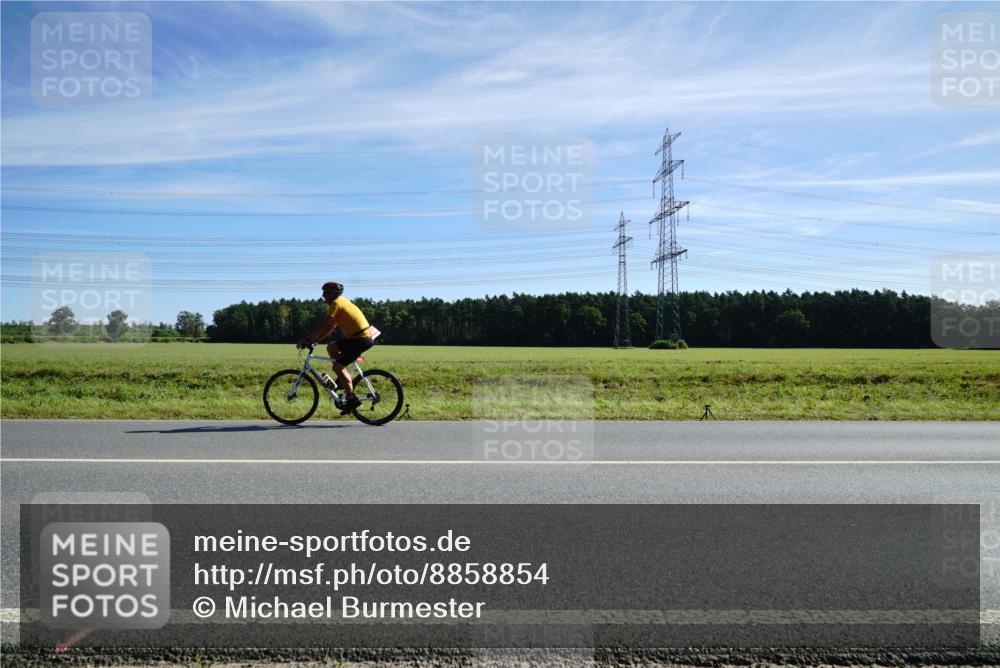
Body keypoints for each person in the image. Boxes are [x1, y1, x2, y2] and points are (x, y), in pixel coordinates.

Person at [298, 281, 374, 414]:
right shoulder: (341, 302)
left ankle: (351, 399)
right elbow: (331, 327)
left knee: (337, 366)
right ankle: (342, 380)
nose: (323, 296)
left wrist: (310, 339)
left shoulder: (336, 303)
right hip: (358, 337)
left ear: (332, 294)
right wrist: (316, 340)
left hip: (360, 339)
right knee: (331, 348)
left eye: (325, 293)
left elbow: (325, 324)